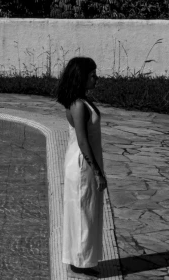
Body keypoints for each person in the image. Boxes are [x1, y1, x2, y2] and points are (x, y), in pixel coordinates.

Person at [57, 56, 107, 277]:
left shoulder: (82, 101)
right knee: (82, 213)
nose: (97, 77)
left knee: (86, 212)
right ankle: (79, 263)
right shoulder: (78, 105)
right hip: (81, 166)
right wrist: (97, 172)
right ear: (82, 77)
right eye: (92, 74)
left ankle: (82, 260)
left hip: (82, 164)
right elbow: (82, 140)